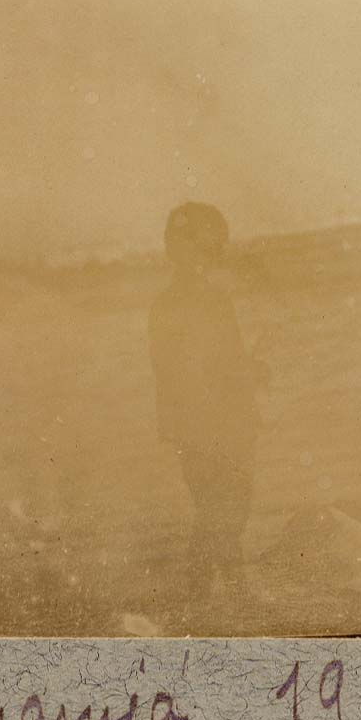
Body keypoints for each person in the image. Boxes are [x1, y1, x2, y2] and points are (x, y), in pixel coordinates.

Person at [148, 202, 265, 610]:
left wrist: (249, 373)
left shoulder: (206, 300)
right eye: (194, 249)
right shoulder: (179, 305)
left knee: (223, 504)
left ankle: (201, 585)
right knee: (223, 504)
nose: (201, 259)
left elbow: (226, 359)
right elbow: (177, 369)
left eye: (204, 250)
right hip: (205, 421)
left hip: (214, 419)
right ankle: (231, 587)